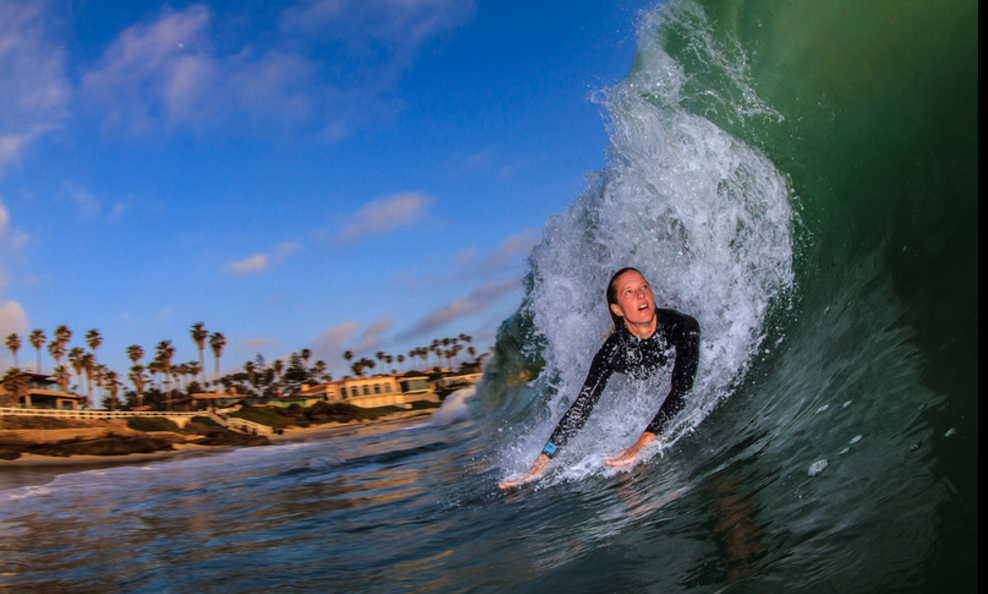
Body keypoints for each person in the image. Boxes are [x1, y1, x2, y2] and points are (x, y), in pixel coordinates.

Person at [499, 267, 700, 489]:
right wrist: (542, 461)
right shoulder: (612, 352)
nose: (641, 295)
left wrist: (643, 442)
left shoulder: (683, 327)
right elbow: (581, 409)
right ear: (617, 309)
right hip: (629, 353)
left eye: (644, 287)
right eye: (629, 292)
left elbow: (681, 389)